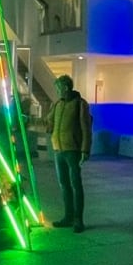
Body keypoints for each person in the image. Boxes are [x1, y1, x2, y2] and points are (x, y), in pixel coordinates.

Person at [45, 74, 92, 232]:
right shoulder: (57, 104)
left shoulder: (80, 104)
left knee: (76, 185)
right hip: (58, 150)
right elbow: (48, 122)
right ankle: (68, 217)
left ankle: (78, 220)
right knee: (64, 185)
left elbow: (86, 129)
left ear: (65, 88)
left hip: (72, 150)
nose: (57, 91)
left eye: (58, 88)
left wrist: (85, 150)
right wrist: (28, 121)